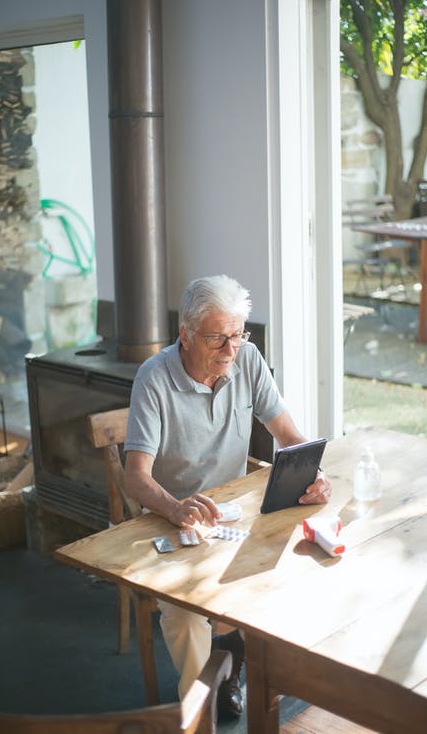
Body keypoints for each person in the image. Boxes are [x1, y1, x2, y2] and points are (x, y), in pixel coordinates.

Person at [124, 274, 331, 717]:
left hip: (234, 515)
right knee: (183, 615)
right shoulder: (154, 378)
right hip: (171, 518)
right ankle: (201, 709)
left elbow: (289, 436)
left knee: (300, 564)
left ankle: (244, 665)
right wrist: (175, 506)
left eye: (237, 335)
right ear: (185, 334)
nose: (230, 350)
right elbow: (135, 477)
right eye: (217, 338)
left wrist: (313, 474)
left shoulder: (247, 359)